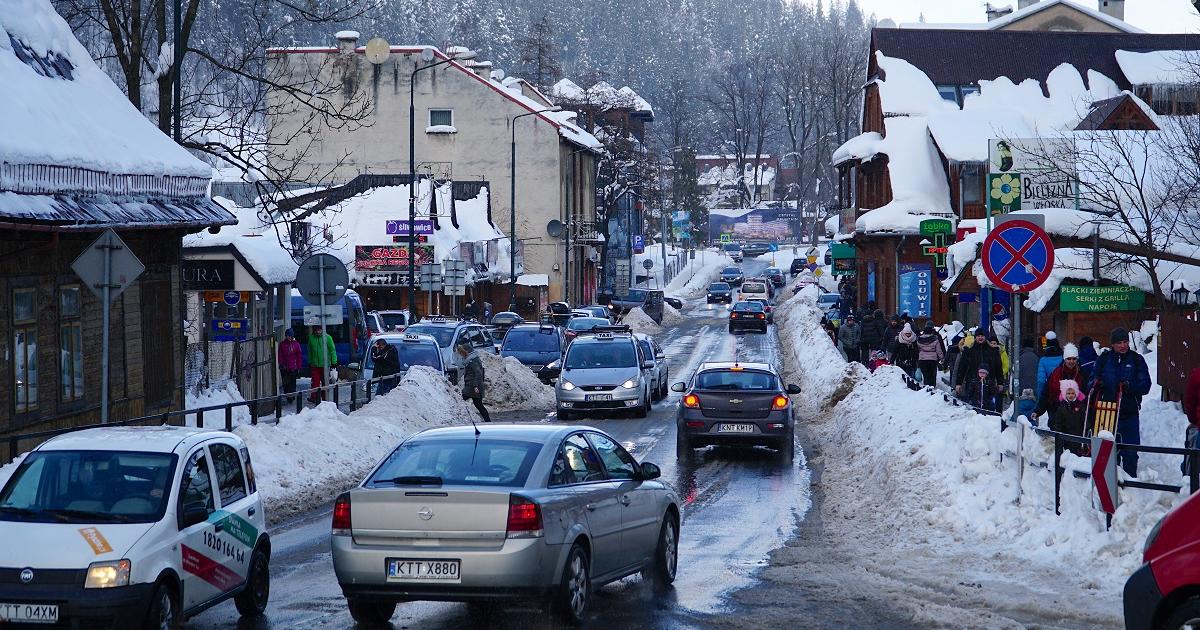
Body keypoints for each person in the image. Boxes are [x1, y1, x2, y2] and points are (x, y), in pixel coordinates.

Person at [1090, 327, 1152, 477]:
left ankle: (1130, 483)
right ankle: (1111, 485)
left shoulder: (1137, 360)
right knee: (1109, 453)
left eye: (1125, 342)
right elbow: (1091, 381)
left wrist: (1130, 387)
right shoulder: (1104, 359)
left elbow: (1146, 385)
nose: (1123, 345)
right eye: (1119, 343)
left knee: (1130, 452)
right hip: (1107, 412)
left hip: (1129, 413)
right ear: (1112, 344)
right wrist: (1098, 384)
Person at [1034, 343, 1083, 421]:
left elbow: (1084, 396)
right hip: (1056, 413)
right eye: (1069, 359)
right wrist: (1038, 411)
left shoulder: (1081, 374)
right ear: (1064, 359)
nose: (1071, 361)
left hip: (1075, 416)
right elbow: (1046, 393)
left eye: (1074, 359)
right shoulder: (1056, 373)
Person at [954, 329, 1000, 399]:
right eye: (978, 336)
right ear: (975, 337)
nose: (980, 338)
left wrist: (1000, 383)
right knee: (972, 406)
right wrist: (958, 383)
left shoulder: (993, 351)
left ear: (986, 337)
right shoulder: (969, 351)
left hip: (989, 384)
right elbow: (962, 368)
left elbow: (998, 368)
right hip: (971, 383)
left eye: (982, 336)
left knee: (988, 405)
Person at [1050, 379, 1087, 456]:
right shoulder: (1061, 407)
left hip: (1078, 436)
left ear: (1076, 393)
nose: (1071, 395)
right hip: (1066, 437)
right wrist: (1059, 434)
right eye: (1068, 393)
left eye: (1073, 393)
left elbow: (1085, 421)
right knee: (1068, 455)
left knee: (1078, 455)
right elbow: (1058, 423)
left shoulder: (1080, 406)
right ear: (1064, 394)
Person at [456, 340, 490, 421]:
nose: (461, 355)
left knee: (459, 400)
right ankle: (488, 421)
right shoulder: (470, 359)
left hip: (473, 386)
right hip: (471, 385)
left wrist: (475, 386)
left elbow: (478, 374)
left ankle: (456, 417)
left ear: (466, 352)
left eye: (461, 352)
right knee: (479, 405)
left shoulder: (473, 361)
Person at [306, 325, 337, 403]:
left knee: (325, 382)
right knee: (315, 382)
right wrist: (310, 361)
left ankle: (324, 398)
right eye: (317, 330)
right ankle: (314, 397)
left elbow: (332, 350)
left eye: (320, 330)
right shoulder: (311, 338)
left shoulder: (328, 338)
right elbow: (310, 351)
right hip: (315, 364)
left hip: (325, 365)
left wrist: (334, 362)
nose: (318, 332)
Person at [1036, 331, 1064, 404]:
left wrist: (1040, 399)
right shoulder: (1063, 358)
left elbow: (1041, 381)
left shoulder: (1043, 361)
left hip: (1051, 394)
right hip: (1065, 392)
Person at [1016, 336, 1040, 421]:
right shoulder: (1037, 357)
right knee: (1033, 410)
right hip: (1034, 388)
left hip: (1021, 387)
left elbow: (1015, 373)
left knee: (1021, 410)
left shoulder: (1019, 357)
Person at [916, 322, 945, 388]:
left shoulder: (919, 339)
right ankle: (932, 388)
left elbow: (917, 349)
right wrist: (942, 359)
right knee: (932, 375)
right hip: (932, 360)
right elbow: (939, 350)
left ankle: (926, 388)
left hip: (922, 360)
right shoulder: (935, 338)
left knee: (926, 375)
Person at [278, 328, 302, 400]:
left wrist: (298, 366)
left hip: (293, 367)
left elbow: (299, 356)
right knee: (286, 383)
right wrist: (281, 364)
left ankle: (292, 396)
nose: (289, 337)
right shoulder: (282, 344)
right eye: (288, 336)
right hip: (284, 368)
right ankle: (288, 396)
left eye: (290, 336)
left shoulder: (296, 344)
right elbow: (280, 355)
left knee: (292, 383)